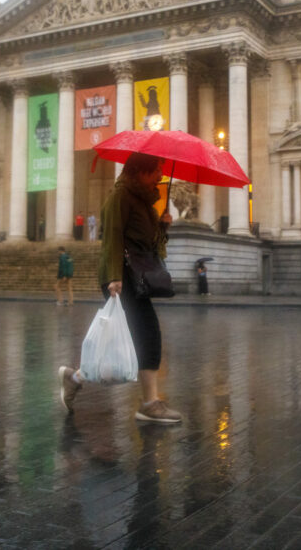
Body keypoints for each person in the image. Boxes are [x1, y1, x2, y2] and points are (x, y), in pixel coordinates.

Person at [59, 152, 181, 424]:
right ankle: (149, 403)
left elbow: (152, 246)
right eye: (156, 170)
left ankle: (74, 377)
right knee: (147, 334)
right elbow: (112, 236)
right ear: (140, 171)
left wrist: (163, 226)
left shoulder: (146, 203)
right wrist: (114, 277)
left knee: (128, 340)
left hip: (135, 276)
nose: (160, 175)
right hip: (121, 277)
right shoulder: (120, 196)